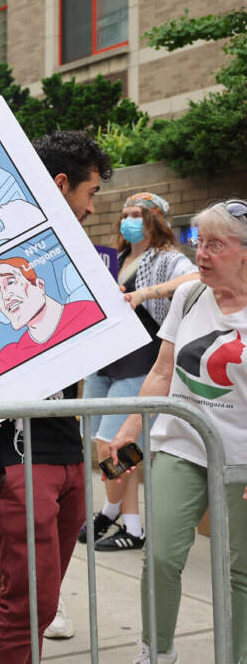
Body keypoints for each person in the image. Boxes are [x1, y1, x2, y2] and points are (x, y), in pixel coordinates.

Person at [0, 131, 113, 662]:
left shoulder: (74, 267)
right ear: (60, 184)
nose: (93, 210)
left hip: (63, 447)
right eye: (90, 194)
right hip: (11, 455)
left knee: (40, 605)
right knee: (29, 603)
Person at [109, 199, 247, 664]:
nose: (201, 254)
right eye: (198, 242)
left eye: (215, 245)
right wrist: (132, 427)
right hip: (181, 443)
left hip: (242, 459)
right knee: (163, 556)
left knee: (242, 572)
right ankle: (156, 651)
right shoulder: (190, 297)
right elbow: (162, 370)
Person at [80, 193, 198, 552]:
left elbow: (193, 279)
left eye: (137, 214)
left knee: (112, 446)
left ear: (155, 219)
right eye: (125, 214)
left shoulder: (166, 259)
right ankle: (125, 518)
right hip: (106, 362)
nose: (128, 220)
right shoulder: (115, 259)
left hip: (139, 361)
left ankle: (118, 513)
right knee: (116, 447)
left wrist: (145, 293)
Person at [0, 256, 105, 383]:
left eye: (11, 282)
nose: (5, 296)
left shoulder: (90, 313)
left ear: (39, 285)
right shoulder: (13, 355)